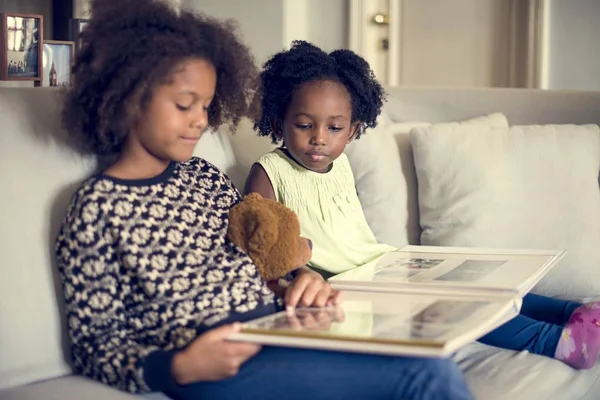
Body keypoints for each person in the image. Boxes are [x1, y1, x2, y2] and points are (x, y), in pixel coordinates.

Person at [55, 1, 475, 399]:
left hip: (278, 327)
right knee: (426, 372)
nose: (201, 120)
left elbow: (255, 260)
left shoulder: (203, 176)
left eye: (205, 105)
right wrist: (179, 366)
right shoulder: (97, 208)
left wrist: (298, 282)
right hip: (216, 359)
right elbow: (94, 343)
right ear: (129, 98)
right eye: (185, 105)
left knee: (427, 346)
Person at [245, 40, 600, 370]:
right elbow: (259, 251)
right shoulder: (270, 171)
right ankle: (557, 342)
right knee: (450, 309)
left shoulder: (341, 164)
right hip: (344, 288)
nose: (319, 138)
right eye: (305, 125)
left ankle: (573, 311)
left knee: (471, 287)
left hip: (381, 265)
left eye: (334, 128)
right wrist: (298, 276)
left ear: (352, 131)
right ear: (279, 122)